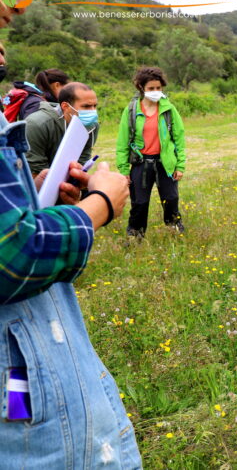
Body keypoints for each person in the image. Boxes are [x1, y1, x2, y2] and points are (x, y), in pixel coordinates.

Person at [0, 96, 141, 466]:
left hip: (27, 358)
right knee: (24, 426)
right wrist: (100, 205)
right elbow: (11, 253)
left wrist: (34, 197)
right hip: (17, 371)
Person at [116, 66, 186, 237]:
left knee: (171, 199)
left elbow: (179, 137)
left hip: (165, 163)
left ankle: (175, 230)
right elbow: (123, 142)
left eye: (158, 88)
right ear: (141, 88)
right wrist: (124, 170)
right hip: (141, 163)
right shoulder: (132, 110)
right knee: (139, 202)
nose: (155, 91)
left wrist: (180, 165)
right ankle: (135, 236)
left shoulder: (169, 109)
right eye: (151, 88)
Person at [25, 82, 100, 175]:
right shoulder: (36, 124)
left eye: (95, 106)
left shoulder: (92, 125)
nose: (93, 111)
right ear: (65, 106)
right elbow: (35, 169)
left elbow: (82, 159)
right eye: (86, 106)